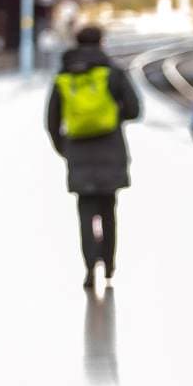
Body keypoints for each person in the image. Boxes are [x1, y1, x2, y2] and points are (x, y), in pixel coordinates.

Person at [46, 25, 141, 288]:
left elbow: (52, 121)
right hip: (110, 150)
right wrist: (112, 116)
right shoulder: (112, 71)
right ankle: (109, 265)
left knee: (85, 211)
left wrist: (65, 149)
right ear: (102, 42)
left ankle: (89, 267)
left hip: (78, 152)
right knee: (108, 209)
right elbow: (135, 109)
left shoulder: (64, 75)